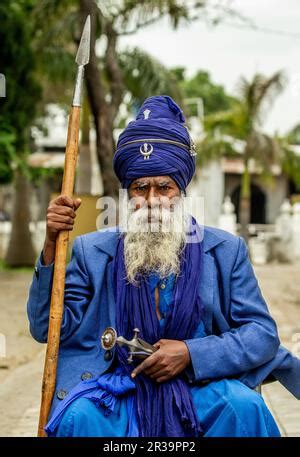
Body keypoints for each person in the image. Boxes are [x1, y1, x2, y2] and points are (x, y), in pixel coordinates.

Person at [27, 95, 300, 437]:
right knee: (79, 419)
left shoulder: (225, 251)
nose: (153, 200)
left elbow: (261, 335)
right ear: (128, 194)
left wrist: (190, 353)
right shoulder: (92, 251)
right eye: (140, 188)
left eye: (164, 187)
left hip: (200, 386)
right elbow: (46, 328)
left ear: (181, 191)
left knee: (245, 409)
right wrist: (52, 245)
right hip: (117, 389)